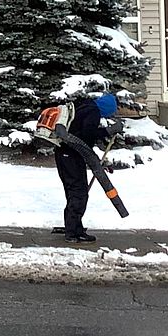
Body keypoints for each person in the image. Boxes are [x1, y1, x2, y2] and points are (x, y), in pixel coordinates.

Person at [54, 93, 119, 243]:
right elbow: (87, 136)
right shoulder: (93, 112)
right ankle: (73, 233)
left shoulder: (83, 108)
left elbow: (80, 135)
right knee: (79, 192)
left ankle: (74, 227)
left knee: (73, 192)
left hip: (64, 153)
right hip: (71, 155)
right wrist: (108, 131)